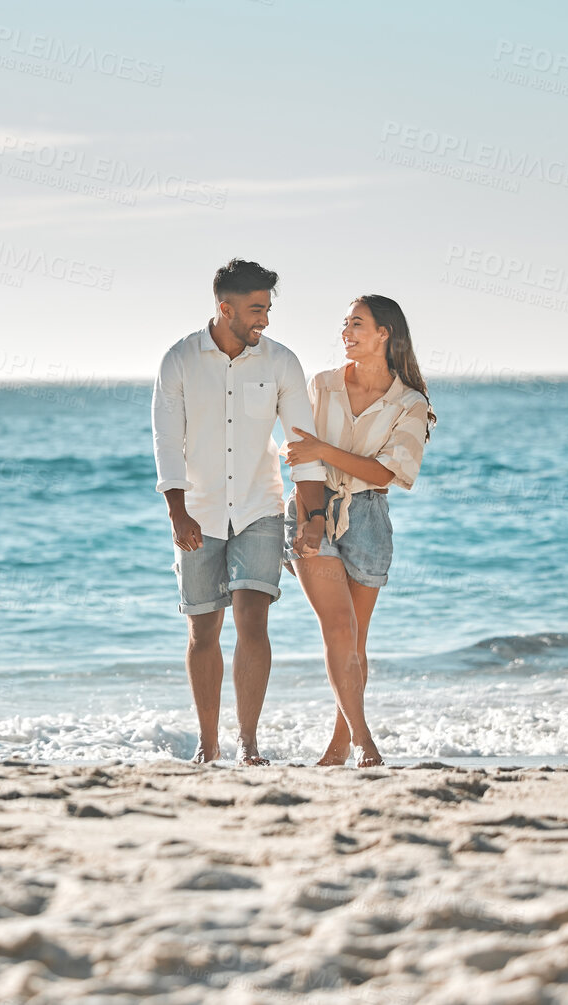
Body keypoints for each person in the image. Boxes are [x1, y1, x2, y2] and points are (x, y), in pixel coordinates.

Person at [151, 259, 327, 765]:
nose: (264, 321)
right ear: (224, 309)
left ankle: (248, 744)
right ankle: (209, 744)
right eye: (255, 310)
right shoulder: (179, 360)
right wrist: (177, 511)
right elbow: (166, 439)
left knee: (253, 619)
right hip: (199, 512)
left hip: (259, 507)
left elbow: (303, 446)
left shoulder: (282, 363)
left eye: (268, 309)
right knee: (203, 629)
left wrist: (312, 518)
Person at [281, 294, 436, 767]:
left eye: (357, 324)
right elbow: (298, 457)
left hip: (367, 518)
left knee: (356, 641)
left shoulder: (409, 404)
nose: (346, 332)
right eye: (345, 324)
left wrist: (324, 451)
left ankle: (337, 745)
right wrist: (309, 517)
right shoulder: (322, 385)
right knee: (338, 628)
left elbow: (386, 474)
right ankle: (365, 740)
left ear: (384, 334)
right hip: (312, 507)